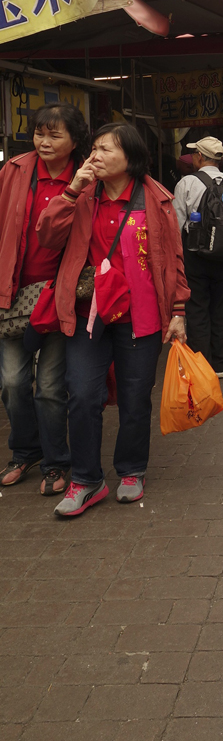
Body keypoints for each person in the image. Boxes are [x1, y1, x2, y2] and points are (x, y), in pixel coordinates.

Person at [36, 122, 189, 517]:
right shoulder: (82, 194)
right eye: (94, 149)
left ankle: (132, 469)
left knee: (136, 397)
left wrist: (178, 311)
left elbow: (173, 259)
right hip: (90, 314)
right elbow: (47, 236)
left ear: (131, 157)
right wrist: (70, 190)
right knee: (82, 394)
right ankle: (86, 480)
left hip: (141, 315)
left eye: (105, 150)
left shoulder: (157, 199)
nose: (95, 157)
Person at [0, 104, 89, 496]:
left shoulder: (87, 177)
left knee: (50, 387)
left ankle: (56, 463)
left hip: (58, 297)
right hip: (13, 294)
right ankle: (25, 451)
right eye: (39, 132)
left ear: (74, 140)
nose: (45, 141)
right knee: (12, 383)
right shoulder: (15, 170)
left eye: (55, 135)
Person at [172, 136, 223, 377]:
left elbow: (176, 224)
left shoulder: (187, 182)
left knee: (197, 307)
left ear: (199, 157)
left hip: (195, 256)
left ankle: (201, 362)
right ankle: (220, 363)